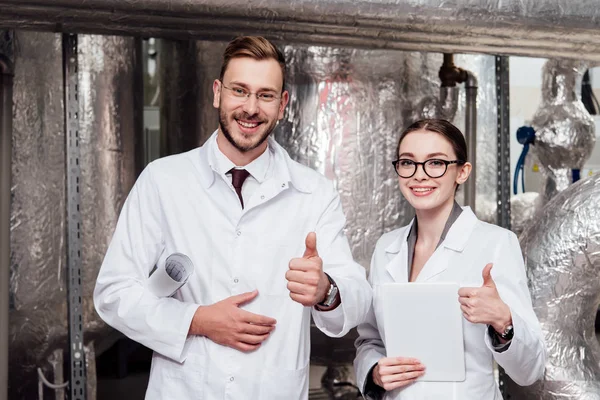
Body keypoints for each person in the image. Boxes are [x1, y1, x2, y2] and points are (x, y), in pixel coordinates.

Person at [93, 36, 371, 400]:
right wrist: (197, 321)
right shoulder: (163, 181)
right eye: (239, 91)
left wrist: (326, 291)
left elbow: (357, 297)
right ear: (217, 93)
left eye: (266, 95)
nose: (251, 108)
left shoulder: (314, 193)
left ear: (283, 104)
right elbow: (114, 294)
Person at [353, 119, 546, 399]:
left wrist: (503, 320)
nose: (419, 175)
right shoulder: (386, 248)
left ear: (462, 172)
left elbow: (531, 369)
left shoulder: (496, 244)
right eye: (408, 163)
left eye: (436, 163)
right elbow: (370, 339)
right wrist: (373, 372)